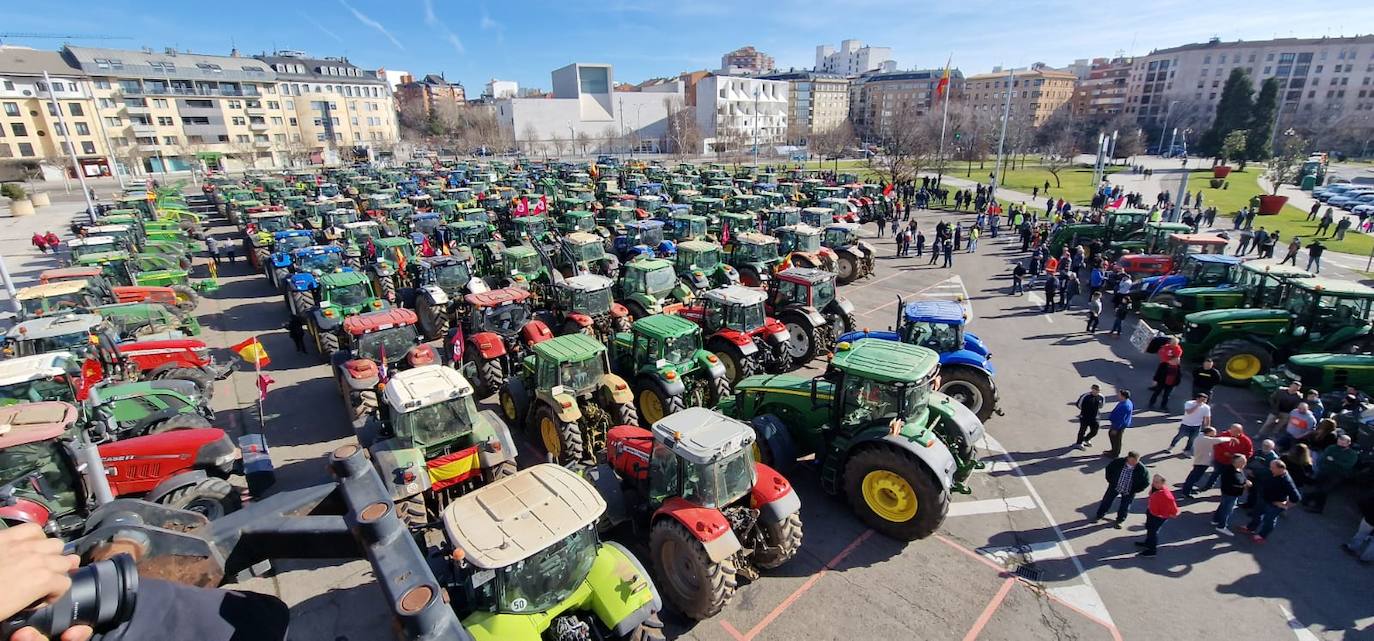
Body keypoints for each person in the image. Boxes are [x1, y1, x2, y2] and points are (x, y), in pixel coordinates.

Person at [1241, 459, 1301, 543]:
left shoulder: (1286, 481)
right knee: (1256, 513)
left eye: (1272, 467)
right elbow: (1258, 472)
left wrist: (1285, 505)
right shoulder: (1272, 472)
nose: (1270, 469)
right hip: (1264, 498)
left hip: (1274, 504)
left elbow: (1296, 497)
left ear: (1280, 469)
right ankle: (1251, 527)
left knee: (1269, 520)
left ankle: (1262, 536)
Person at [1302, 434, 1358, 513]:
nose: (1340, 444)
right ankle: (1315, 505)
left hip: (1337, 474)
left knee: (1324, 489)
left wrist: (1333, 460)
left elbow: (1347, 465)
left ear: (1348, 443)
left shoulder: (1352, 454)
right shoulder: (1332, 448)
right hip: (1324, 471)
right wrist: (1323, 465)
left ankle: (1307, 499)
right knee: (1319, 488)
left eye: (1343, 443)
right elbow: (1323, 458)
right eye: (1339, 441)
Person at [1093, 451, 1150, 527]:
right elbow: (1109, 469)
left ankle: (1120, 520)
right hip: (1115, 486)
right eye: (1132, 460)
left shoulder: (1142, 469)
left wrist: (1136, 490)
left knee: (1125, 506)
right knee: (1106, 501)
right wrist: (1111, 481)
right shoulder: (1118, 462)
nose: (1134, 463)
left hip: (1129, 490)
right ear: (1128, 458)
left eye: (1136, 461)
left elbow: (1146, 481)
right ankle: (1099, 515)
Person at [1136, 474, 1179, 557]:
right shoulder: (1155, 488)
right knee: (1149, 527)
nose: (1154, 483)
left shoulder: (1166, 495)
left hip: (1158, 516)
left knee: (1153, 532)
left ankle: (1152, 550)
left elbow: (1173, 507)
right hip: (1152, 512)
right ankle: (1148, 543)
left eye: (1157, 482)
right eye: (1154, 481)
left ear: (1163, 483)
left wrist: (1172, 514)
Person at [1211, 453, 1251, 535]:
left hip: (1230, 493)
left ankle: (1215, 520)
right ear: (1235, 462)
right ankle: (1221, 526)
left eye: (1245, 462)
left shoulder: (1238, 469)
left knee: (1222, 506)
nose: (1244, 464)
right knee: (1227, 510)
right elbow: (1233, 484)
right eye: (1242, 462)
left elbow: (1241, 479)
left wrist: (1245, 481)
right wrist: (1245, 485)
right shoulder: (1230, 471)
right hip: (1230, 494)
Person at [1343, 491, 1374, 563]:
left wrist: (1365, 513)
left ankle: (1352, 548)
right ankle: (1366, 559)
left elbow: (1363, 502)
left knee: (1360, 534)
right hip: (1369, 518)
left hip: (1369, 519)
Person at [1103, 389, 1134, 458]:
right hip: (1119, 424)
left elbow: (1120, 420)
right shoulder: (1126, 402)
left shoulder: (1124, 406)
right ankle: (1114, 450)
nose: (1117, 395)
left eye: (1119, 394)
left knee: (1116, 439)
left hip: (1118, 426)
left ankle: (1115, 453)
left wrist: (1115, 429)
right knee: (1115, 438)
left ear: (1123, 396)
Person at [1074, 384, 1105, 449]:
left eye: (1099, 390)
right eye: (1096, 390)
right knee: (1082, 430)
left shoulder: (1101, 397)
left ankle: (1086, 439)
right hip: (1085, 417)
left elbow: (1101, 406)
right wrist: (1085, 411)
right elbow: (1079, 405)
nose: (1097, 392)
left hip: (1095, 417)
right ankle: (1079, 443)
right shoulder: (1085, 396)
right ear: (1092, 389)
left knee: (1095, 431)